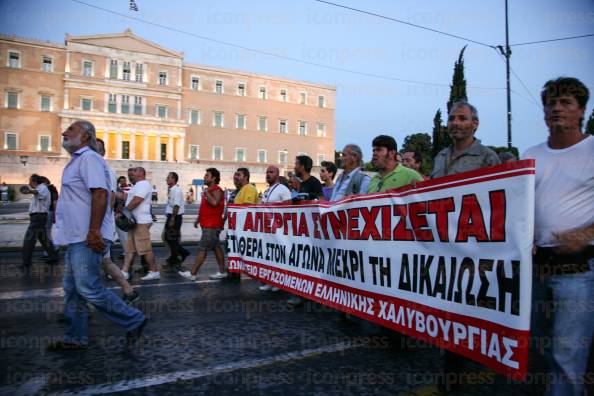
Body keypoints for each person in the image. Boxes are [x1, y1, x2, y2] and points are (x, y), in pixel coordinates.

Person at [523, 77, 593, 395]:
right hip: (538, 267)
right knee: (538, 345)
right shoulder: (532, 154)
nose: (556, 108)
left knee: (568, 353)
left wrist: (587, 233)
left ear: (581, 111)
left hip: (578, 269)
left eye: (565, 102)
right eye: (550, 103)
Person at [48, 120, 145, 350]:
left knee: (87, 287)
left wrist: (93, 231)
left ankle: (134, 319)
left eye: (70, 129)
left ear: (84, 136)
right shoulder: (77, 161)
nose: (64, 132)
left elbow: (101, 194)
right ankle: (75, 336)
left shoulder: (89, 158)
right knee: (73, 290)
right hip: (75, 236)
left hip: (86, 236)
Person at [96, 139, 139, 304]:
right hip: (101, 225)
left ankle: (125, 314)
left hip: (98, 227)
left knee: (85, 270)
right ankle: (129, 291)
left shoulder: (104, 171)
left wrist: (103, 220)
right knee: (106, 262)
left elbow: (111, 198)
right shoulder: (101, 170)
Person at [178, 168, 227, 281]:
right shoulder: (210, 190)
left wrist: (206, 193)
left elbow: (214, 203)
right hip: (208, 224)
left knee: (202, 248)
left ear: (213, 178)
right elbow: (205, 208)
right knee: (216, 247)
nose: (204, 177)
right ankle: (222, 271)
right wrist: (198, 219)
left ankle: (193, 273)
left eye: (207, 176)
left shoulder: (217, 190)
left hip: (212, 225)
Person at [430, 101, 501, 178]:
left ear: (475, 124)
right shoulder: (440, 156)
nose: (455, 123)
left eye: (462, 119)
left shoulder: (488, 157)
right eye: (451, 119)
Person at [119, 167, 161, 281]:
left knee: (145, 248)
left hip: (141, 222)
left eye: (136, 171)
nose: (133, 173)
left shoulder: (143, 184)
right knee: (130, 248)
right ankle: (125, 271)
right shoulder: (137, 185)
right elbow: (127, 197)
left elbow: (136, 200)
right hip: (134, 221)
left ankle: (154, 271)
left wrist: (123, 212)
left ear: (142, 173)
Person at [259, 165, 292, 292]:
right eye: (267, 172)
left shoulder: (283, 189)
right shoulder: (268, 190)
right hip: (267, 229)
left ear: (277, 174)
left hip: (279, 229)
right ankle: (270, 281)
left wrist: (271, 206)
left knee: (279, 256)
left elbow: (289, 206)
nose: (268, 174)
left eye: (271, 172)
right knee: (270, 256)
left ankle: (280, 282)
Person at [21, 174, 59, 269]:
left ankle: (26, 262)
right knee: (43, 238)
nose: (29, 183)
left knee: (29, 239)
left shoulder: (42, 188)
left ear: (34, 181)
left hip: (38, 217)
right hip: (38, 217)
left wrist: (29, 191)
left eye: (30, 181)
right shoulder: (42, 188)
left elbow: (37, 193)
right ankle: (53, 256)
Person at [163, 171, 190, 270]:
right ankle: (173, 258)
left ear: (174, 179)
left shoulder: (176, 190)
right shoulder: (171, 189)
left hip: (175, 217)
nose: (167, 179)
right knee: (168, 238)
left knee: (170, 238)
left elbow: (176, 205)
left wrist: (173, 219)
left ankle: (182, 253)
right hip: (171, 216)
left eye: (169, 177)